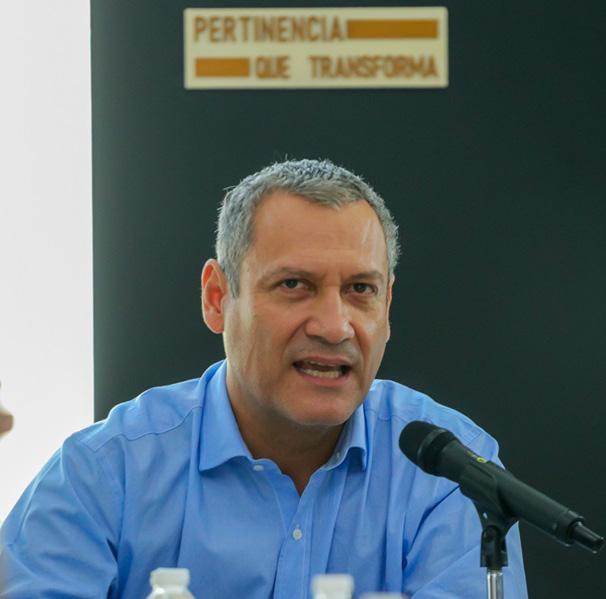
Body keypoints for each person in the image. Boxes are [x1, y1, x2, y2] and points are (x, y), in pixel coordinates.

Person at [0, 159, 528, 598]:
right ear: (217, 298)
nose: (334, 326)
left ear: (387, 305)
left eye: (360, 290)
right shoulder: (101, 474)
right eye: (294, 284)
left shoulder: (450, 472)